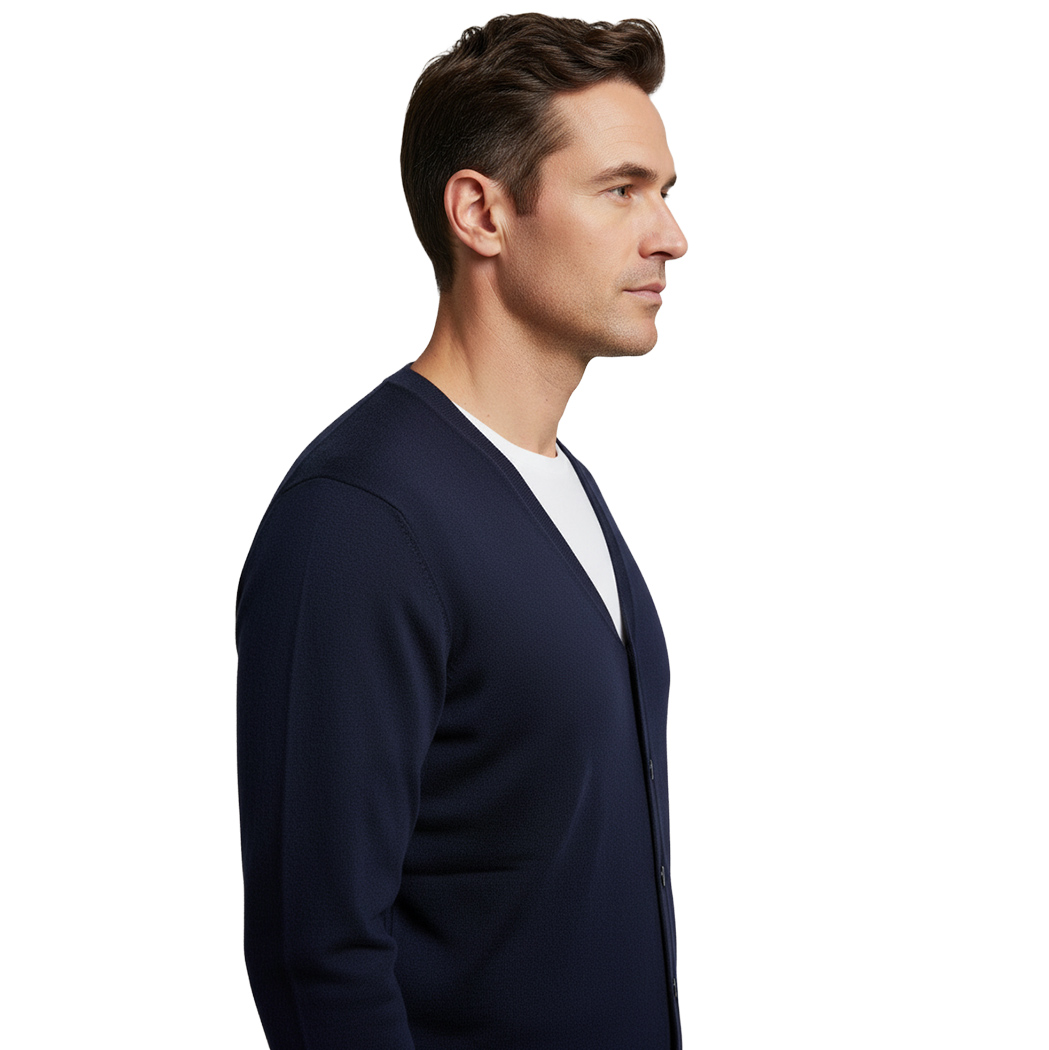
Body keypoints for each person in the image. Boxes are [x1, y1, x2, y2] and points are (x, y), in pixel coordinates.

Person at [236, 13, 688, 1049]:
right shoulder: (359, 521)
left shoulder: (567, 488)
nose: (669, 236)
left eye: (666, 193)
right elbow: (320, 957)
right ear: (481, 213)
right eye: (622, 190)